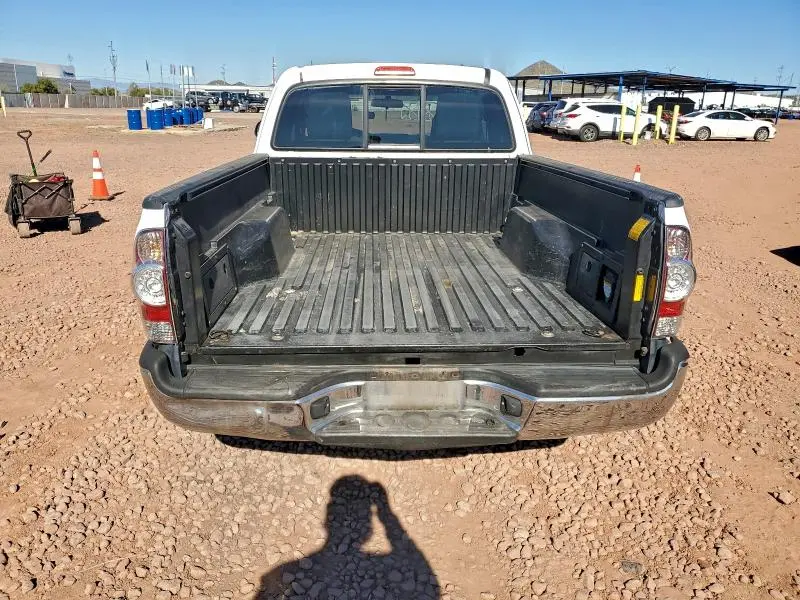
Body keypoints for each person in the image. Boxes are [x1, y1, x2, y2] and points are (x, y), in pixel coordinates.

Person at [257, 475, 439, 599]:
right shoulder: (285, 572)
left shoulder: (283, 572)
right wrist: (386, 512)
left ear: (326, 523)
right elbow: (423, 574)